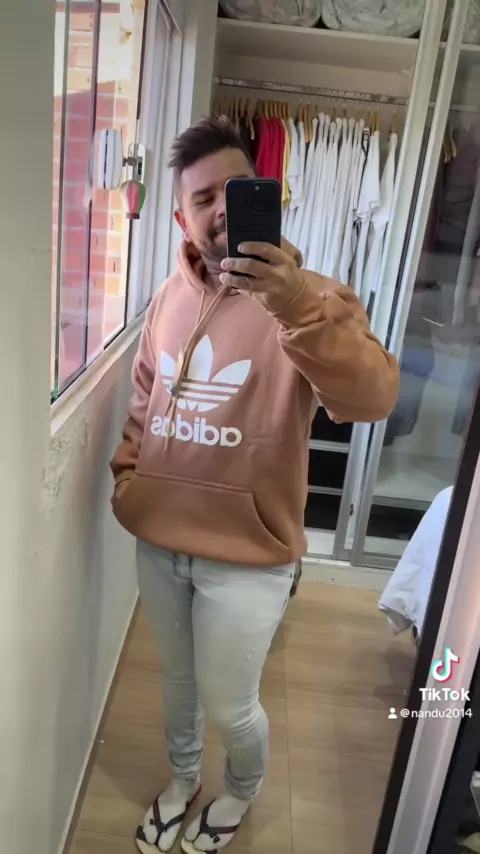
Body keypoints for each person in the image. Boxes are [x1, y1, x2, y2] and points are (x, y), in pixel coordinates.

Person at [110, 116, 399, 854]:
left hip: (250, 553)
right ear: (181, 217)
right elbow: (145, 395)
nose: (218, 211)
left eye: (233, 191)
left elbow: (372, 399)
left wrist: (293, 303)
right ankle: (183, 780)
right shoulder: (168, 296)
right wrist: (129, 480)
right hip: (160, 541)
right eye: (201, 198)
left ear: (268, 195)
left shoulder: (316, 298)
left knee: (230, 705)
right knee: (176, 687)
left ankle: (240, 788)